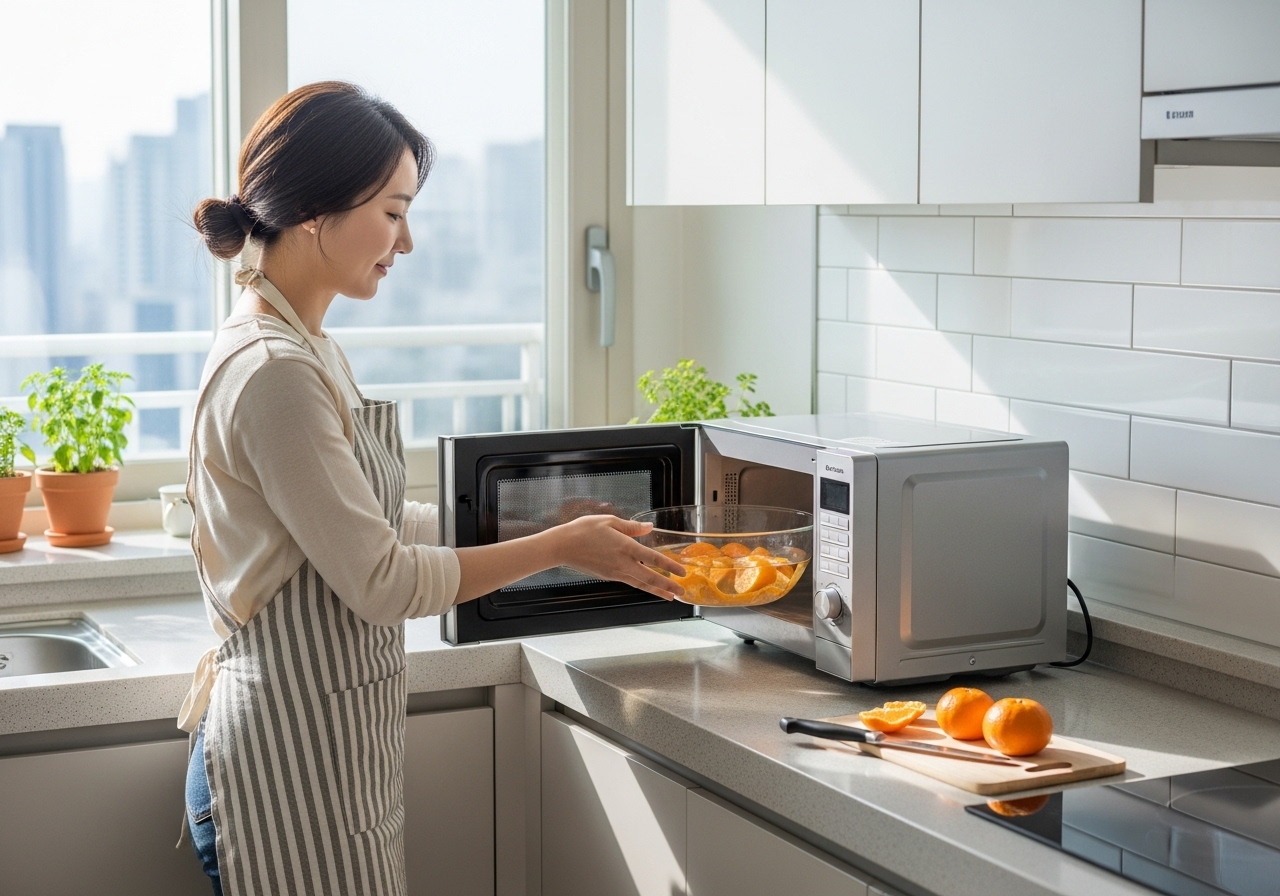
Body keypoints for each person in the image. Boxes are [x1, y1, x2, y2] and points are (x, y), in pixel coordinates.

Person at [179, 81, 684, 896]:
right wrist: (557, 549)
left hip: (328, 748)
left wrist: (529, 518)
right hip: (285, 762)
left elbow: (369, 523)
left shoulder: (305, 346)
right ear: (317, 210)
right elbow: (380, 582)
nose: (405, 241)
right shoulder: (274, 371)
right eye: (392, 210)